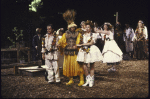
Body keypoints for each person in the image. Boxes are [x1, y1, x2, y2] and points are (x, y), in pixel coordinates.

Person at [57, 9, 84, 86]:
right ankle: (70, 80)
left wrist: (77, 45)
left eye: (74, 27)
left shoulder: (78, 33)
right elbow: (62, 41)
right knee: (68, 66)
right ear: (69, 28)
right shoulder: (65, 34)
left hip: (75, 52)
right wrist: (59, 44)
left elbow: (80, 41)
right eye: (71, 27)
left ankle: (81, 80)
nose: (73, 28)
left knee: (78, 66)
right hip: (68, 52)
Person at [76, 20, 103, 87]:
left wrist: (82, 44)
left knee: (91, 66)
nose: (87, 28)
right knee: (84, 65)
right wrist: (80, 45)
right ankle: (88, 79)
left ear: (91, 28)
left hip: (91, 50)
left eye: (88, 27)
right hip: (84, 50)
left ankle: (91, 81)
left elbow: (91, 43)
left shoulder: (93, 34)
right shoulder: (83, 35)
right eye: (86, 27)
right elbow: (80, 41)